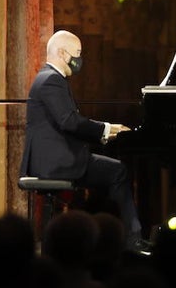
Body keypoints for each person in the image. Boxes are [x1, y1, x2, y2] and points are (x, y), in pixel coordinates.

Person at [21, 29, 146, 253]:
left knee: (109, 173)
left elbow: (70, 120)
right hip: (56, 163)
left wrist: (107, 128)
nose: (80, 59)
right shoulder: (51, 80)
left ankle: (102, 239)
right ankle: (131, 240)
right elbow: (69, 122)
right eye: (77, 53)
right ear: (62, 53)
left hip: (56, 158)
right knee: (118, 172)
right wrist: (105, 130)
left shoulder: (50, 78)